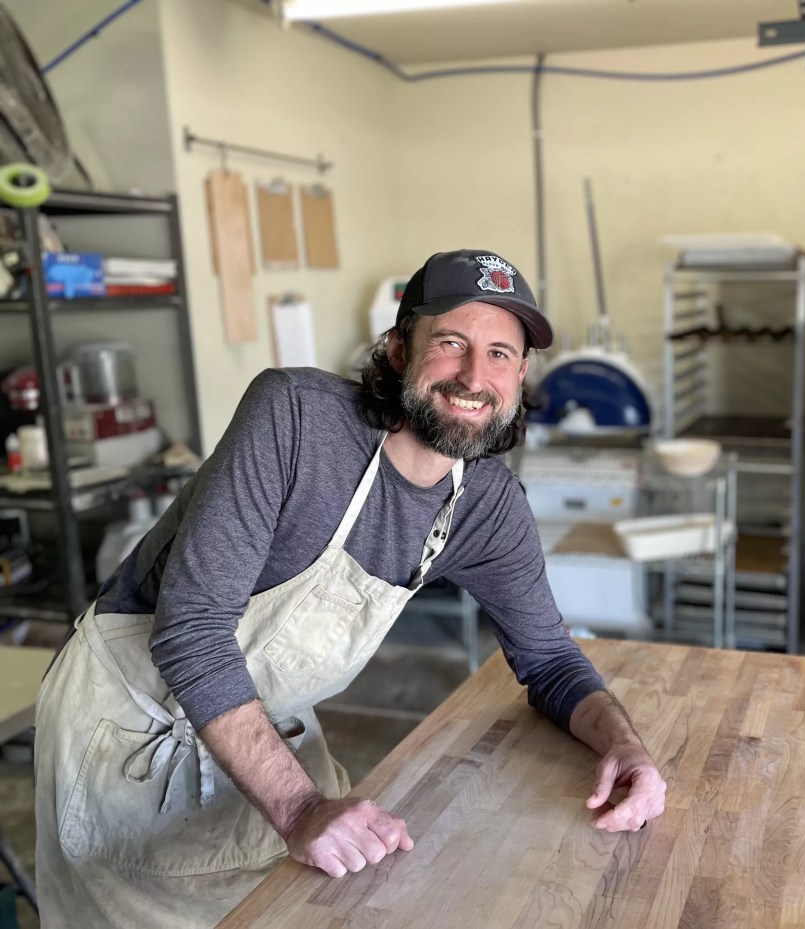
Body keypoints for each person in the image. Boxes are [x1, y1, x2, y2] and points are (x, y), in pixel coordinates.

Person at [34, 249, 667, 929]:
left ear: (520, 375)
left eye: (500, 354)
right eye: (450, 344)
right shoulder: (296, 420)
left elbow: (548, 658)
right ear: (399, 350)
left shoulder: (486, 502)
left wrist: (623, 746)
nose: (475, 377)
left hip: (267, 733)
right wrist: (301, 809)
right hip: (130, 736)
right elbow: (190, 631)